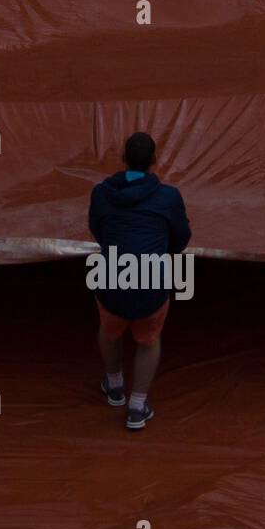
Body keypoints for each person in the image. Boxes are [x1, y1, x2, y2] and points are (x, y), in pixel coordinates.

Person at [88, 131, 190, 430]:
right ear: (154, 161)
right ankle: (137, 406)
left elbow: (97, 230)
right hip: (151, 284)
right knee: (148, 341)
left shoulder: (100, 193)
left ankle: (115, 387)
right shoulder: (169, 197)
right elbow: (181, 238)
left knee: (109, 332)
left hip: (110, 280)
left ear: (123, 159)